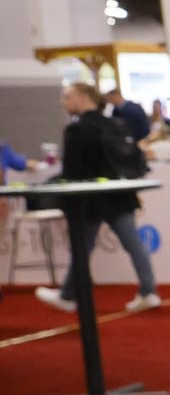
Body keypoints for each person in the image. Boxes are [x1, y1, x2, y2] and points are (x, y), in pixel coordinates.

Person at [34, 81, 160, 314]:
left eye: (67, 97)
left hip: (90, 199)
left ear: (81, 97)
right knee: (131, 243)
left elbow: (71, 172)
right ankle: (148, 291)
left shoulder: (76, 130)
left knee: (84, 247)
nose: (64, 103)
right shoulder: (115, 124)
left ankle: (69, 295)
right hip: (119, 196)